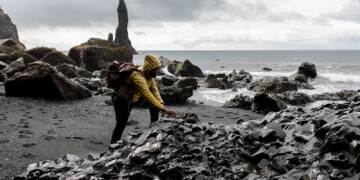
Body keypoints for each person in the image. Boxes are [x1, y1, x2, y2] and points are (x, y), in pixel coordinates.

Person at [110, 54, 177, 144]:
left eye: (158, 69)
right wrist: (164, 109)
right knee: (121, 123)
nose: (157, 71)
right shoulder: (138, 77)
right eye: (155, 69)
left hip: (134, 97)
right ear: (150, 67)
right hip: (121, 99)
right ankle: (113, 145)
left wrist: (161, 104)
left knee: (154, 107)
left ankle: (154, 129)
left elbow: (154, 90)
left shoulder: (149, 74)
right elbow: (147, 95)